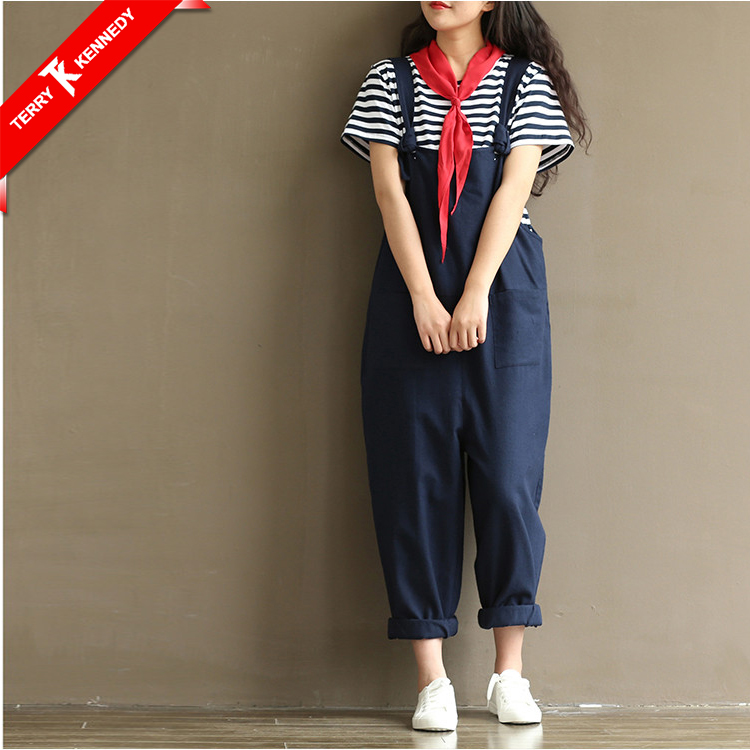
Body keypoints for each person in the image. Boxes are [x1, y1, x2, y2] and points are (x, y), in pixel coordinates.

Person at [340, 0, 590, 732]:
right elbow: (388, 191)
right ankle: (433, 681)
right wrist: (423, 296)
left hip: (505, 292)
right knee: (414, 483)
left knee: (510, 480)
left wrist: (476, 289)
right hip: (408, 292)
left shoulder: (524, 82)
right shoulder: (389, 81)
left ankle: (509, 674)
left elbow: (514, 188)